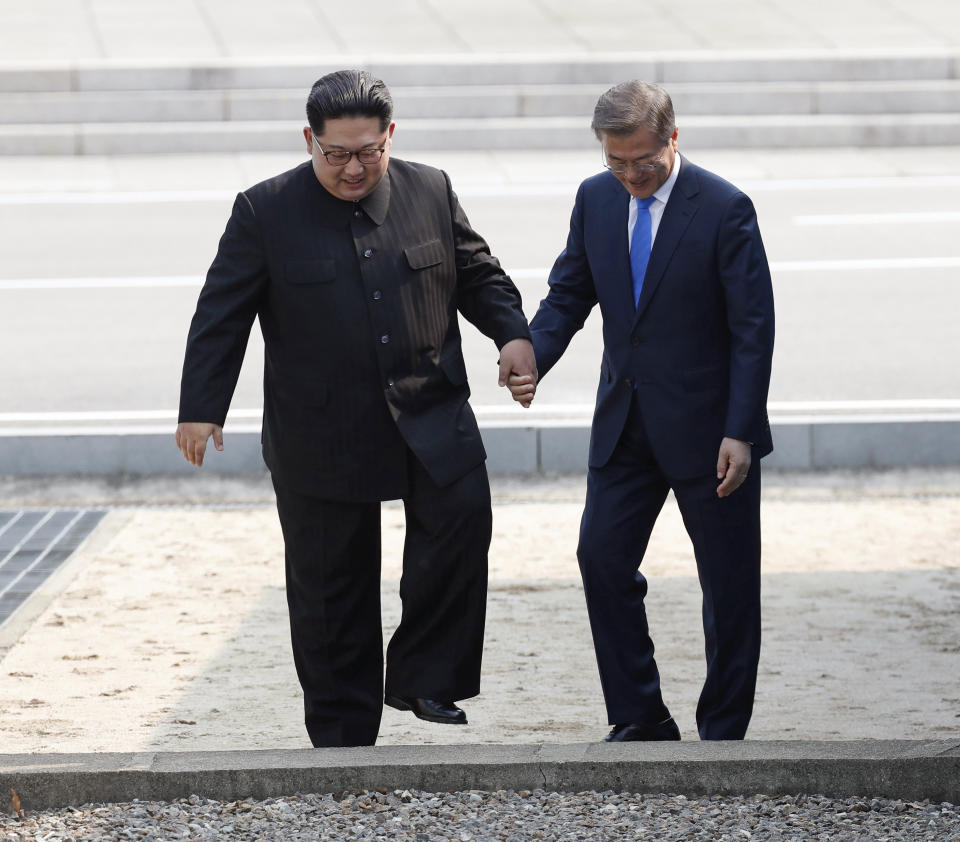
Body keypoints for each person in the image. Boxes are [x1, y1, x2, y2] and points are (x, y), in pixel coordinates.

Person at [176, 69, 536, 747]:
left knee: (460, 526)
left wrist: (513, 334)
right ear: (308, 141)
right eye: (335, 153)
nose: (352, 167)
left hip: (429, 408)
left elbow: (478, 272)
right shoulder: (264, 210)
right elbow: (220, 315)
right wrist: (202, 407)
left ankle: (422, 676)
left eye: (368, 151)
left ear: (390, 136)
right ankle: (342, 738)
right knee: (329, 586)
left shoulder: (430, 189)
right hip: (321, 427)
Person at [509, 81, 774, 742]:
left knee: (730, 589)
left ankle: (722, 733)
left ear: (672, 139)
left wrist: (741, 429)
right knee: (599, 558)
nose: (630, 175)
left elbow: (753, 328)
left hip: (712, 434)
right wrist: (533, 353)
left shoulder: (724, 208)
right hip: (624, 425)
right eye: (616, 162)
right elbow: (569, 292)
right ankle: (641, 715)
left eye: (644, 162)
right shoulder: (595, 199)